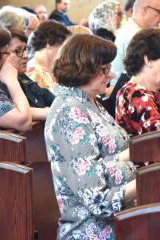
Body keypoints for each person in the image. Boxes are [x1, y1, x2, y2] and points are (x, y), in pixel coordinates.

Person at [45, 34, 136, 239]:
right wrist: (152, 178)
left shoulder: (88, 101)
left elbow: (106, 161)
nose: (111, 75)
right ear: (83, 69)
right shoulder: (70, 111)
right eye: (104, 69)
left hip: (120, 223)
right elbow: (99, 201)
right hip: (91, 230)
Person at [110, 0, 160, 85]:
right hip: (125, 92)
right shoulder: (135, 36)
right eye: (159, 12)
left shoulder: (132, 30)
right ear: (144, 10)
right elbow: (146, 75)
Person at [8, 27, 54, 117]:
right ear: (3, 53)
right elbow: (19, 117)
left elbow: (51, 99)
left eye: (26, 49)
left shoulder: (21, 76)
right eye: (18, 51)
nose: (26, 55)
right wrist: (48, 112)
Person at [27, 20, 71, 92]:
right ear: (49, 43)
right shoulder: (33, 73)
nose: (66, 51)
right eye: (63, 46)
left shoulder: (56, 68)